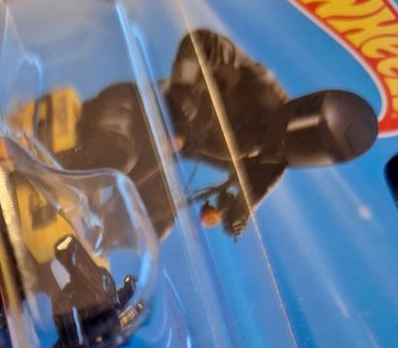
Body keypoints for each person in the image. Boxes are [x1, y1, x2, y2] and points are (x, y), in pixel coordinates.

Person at [59, 29, 378, 238]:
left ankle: (74, 255)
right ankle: (44, 170)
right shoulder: (259, 85)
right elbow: (200, 42)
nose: (275, 145)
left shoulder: (273, 161)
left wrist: (234, 215)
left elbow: (246, 200)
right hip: (133, 111)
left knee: (155, 220)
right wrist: (183, 100)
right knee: (116, 155)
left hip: (156, 154)